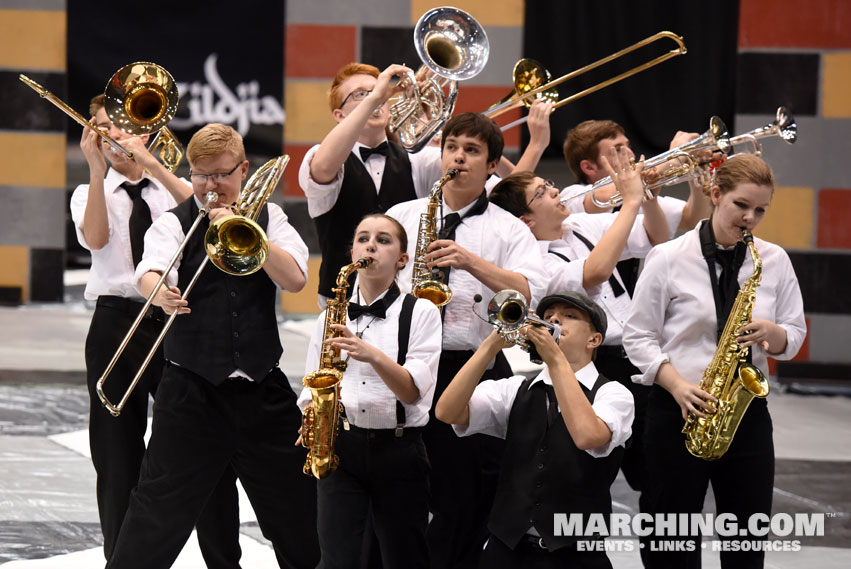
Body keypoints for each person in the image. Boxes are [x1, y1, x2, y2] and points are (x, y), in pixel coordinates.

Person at [104, 123, 319, 569]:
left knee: (300, 510)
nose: (211, 186)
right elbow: (149, 270)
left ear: (243, 169)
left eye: (221, 175)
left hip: (263, 390)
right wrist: (157, 291)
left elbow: (296, 278)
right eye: (201, 176)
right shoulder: (174, 221)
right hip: (191, 394)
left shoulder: (271, 218)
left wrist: (249, 233)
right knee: (155, 513)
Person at [70, 95, 241, 568]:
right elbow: (97, 239)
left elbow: (206, 211)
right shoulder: (91, 190)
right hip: (115, 320)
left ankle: (224, 559)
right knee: (115, 451)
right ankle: (120, 559)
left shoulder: (174, 186)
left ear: (145, 131)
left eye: (122, 126)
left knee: (200, 446)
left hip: (175, 319)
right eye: (102, 128)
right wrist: (96, 169)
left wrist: (153, 166)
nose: (114, 136)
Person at [623, 154, 806, 568]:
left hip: (746, 413)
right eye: (741, 205)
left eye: (760, 210)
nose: (751, 218)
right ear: (716, 193)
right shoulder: (669, 257)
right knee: (671, 537)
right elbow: (638, 335)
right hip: (678, 408)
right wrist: (675, 384)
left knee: (746, 537)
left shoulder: (773, 260)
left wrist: (774, 335)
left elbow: (794, 333)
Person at [386, 111, 548, 569]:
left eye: (472, 150)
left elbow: (528, 289)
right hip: (406, 364)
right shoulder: (404, 215)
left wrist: (469, 260)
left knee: (465, 495)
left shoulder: (507, 228)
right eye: (452, 146)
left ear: (493, 164)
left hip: (471, 365)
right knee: (400, 488)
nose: (458, 156)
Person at [435, 291, 634, 568]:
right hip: (506, 550)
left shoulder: (614, 394)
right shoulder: (516, 388)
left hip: (576, 555)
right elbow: (447, 412)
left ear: (594, 340)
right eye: (549, 315)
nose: (554, 320)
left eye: (569, 316)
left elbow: (588, 436)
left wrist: (555, 360)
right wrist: (490, 346)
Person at [298, 213, 442, 569]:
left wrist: (370, 354)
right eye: (363, 239)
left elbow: (411, 391)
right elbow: (311, 381)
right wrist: (310, 418)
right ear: (352, 253)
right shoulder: (331, 316)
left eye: (383, 240)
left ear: (402, 259)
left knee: (404, 557)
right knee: (336, 558)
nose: (371, 246)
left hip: (399, 449)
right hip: (340, 446)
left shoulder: (421, 312)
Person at [298, 62, 444, 302]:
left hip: (405, 301)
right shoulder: (323, 156)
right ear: (339, 115)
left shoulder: (415, 161)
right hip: (341, 301)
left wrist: (430, 112)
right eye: (359, 95)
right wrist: (377, 95)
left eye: (375, 90)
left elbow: (464, 164)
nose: (375, 99)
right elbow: (323, 168)